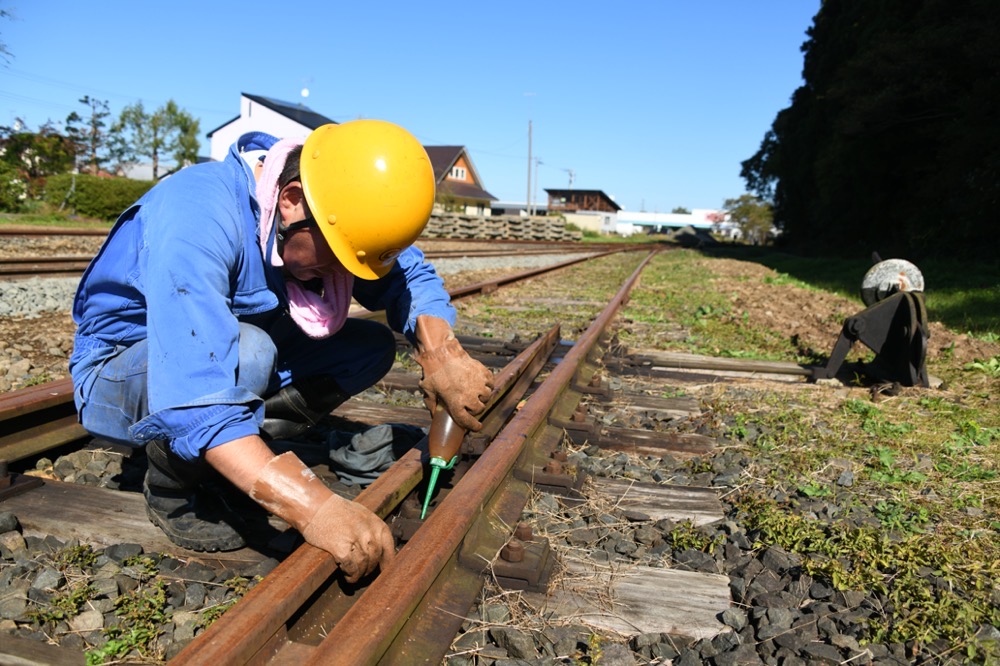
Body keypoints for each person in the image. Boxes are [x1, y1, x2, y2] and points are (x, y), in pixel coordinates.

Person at [69, 120, 494, 582]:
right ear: (290, 201)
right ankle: (174, 486)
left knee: (366, 347)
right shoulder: (199, 214)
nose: (343, 277)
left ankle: (241, 450)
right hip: (127, 365)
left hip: (229, 349)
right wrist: (311, 506)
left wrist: (442, 354)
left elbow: (405, 275)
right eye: (335, 258)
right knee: (249, 354)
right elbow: (195, 392)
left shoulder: (324, 204)